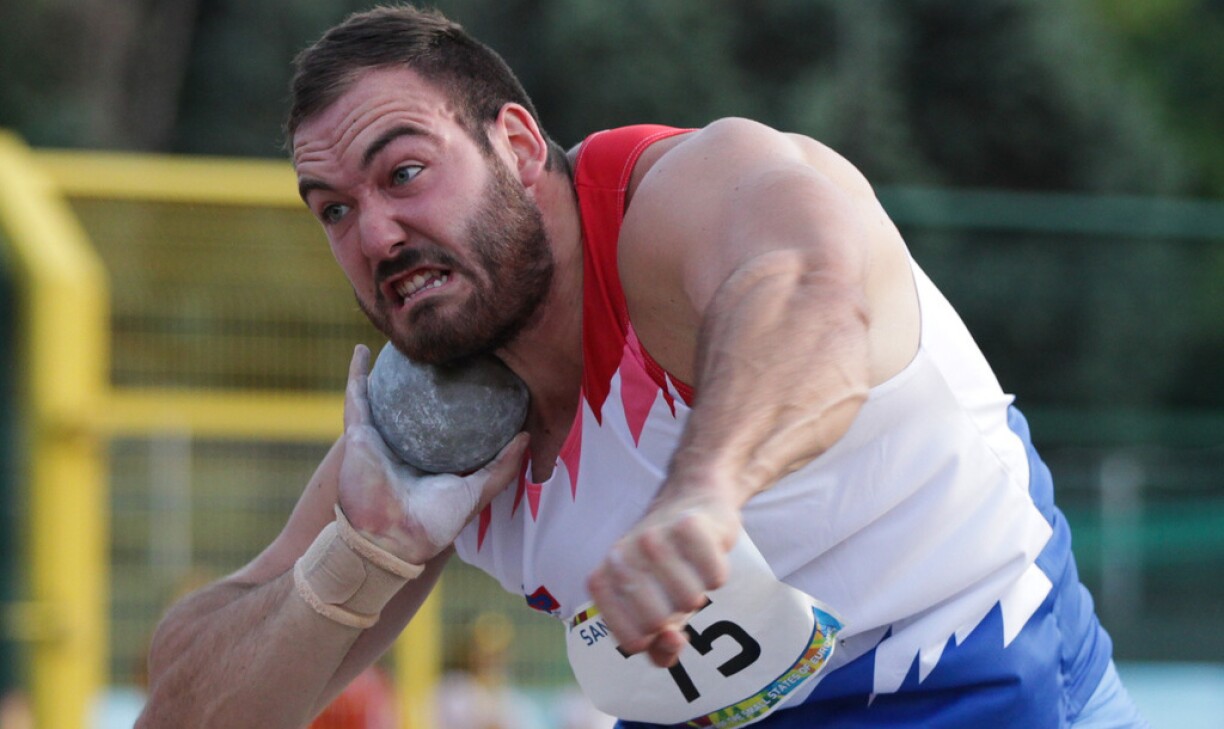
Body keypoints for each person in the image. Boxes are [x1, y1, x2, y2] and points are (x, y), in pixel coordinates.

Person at [137, 5, 1148, 728]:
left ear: (517, 145)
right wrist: (362, 560)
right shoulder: (436, 427)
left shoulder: (681, 202)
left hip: (996, 696)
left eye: (404, 172)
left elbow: (813, 295)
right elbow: (182, 707)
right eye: (334, 211)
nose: (376, 234)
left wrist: (706, 491)